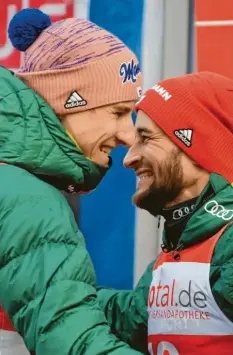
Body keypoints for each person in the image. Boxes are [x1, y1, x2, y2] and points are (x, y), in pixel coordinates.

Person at [0, 7, 143, 355]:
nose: (129, 135)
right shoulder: (28, 196)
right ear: (69, 101)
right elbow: (70, 341)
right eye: (118, 112)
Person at [98, 71, 233, 355]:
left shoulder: (225, 241)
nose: (129, 159)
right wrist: (45, 294)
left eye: (146, 138)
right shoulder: (187, 238)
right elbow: (131, 318)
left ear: (195, 146)